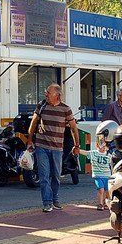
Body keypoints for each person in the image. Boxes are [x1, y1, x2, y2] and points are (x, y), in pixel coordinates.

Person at [27, 84, 81, 212]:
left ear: (57, 95)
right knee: (44, 175)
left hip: (57, 148)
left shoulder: (65, 109)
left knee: (56, 175)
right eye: (46, 92)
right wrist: (29, 140)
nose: (46, 95)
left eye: (48, 93)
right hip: (42, 146)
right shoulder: (42, 105)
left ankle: (55, 198)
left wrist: (77, 145)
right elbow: (34, 122)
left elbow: (73, 128)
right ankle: (47, 202)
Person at [79, 121, 116, 211]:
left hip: (107, 176)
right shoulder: (94, 153)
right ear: (97, 145)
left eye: (105, 145)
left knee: (108, 191)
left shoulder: (109, 154)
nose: (103, 147)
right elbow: (85, 153)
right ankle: (100, 204)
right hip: (98, 175)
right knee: (101, 190)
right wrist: (78, 150)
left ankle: (107, 203)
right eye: (100, 144)